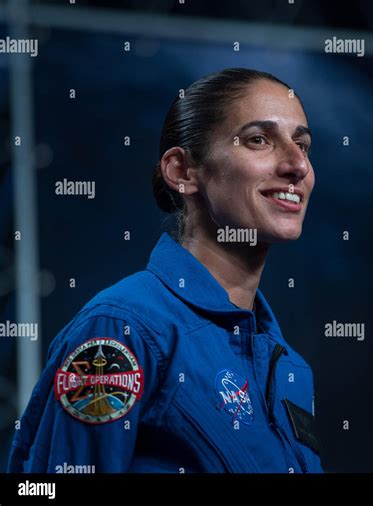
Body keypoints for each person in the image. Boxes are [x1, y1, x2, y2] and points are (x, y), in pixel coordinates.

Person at [8, 68, 323, 473]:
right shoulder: (120, 332)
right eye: (259, 139)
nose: (297, 164)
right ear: (182, 171)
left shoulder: (291, 370)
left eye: (304, 144)